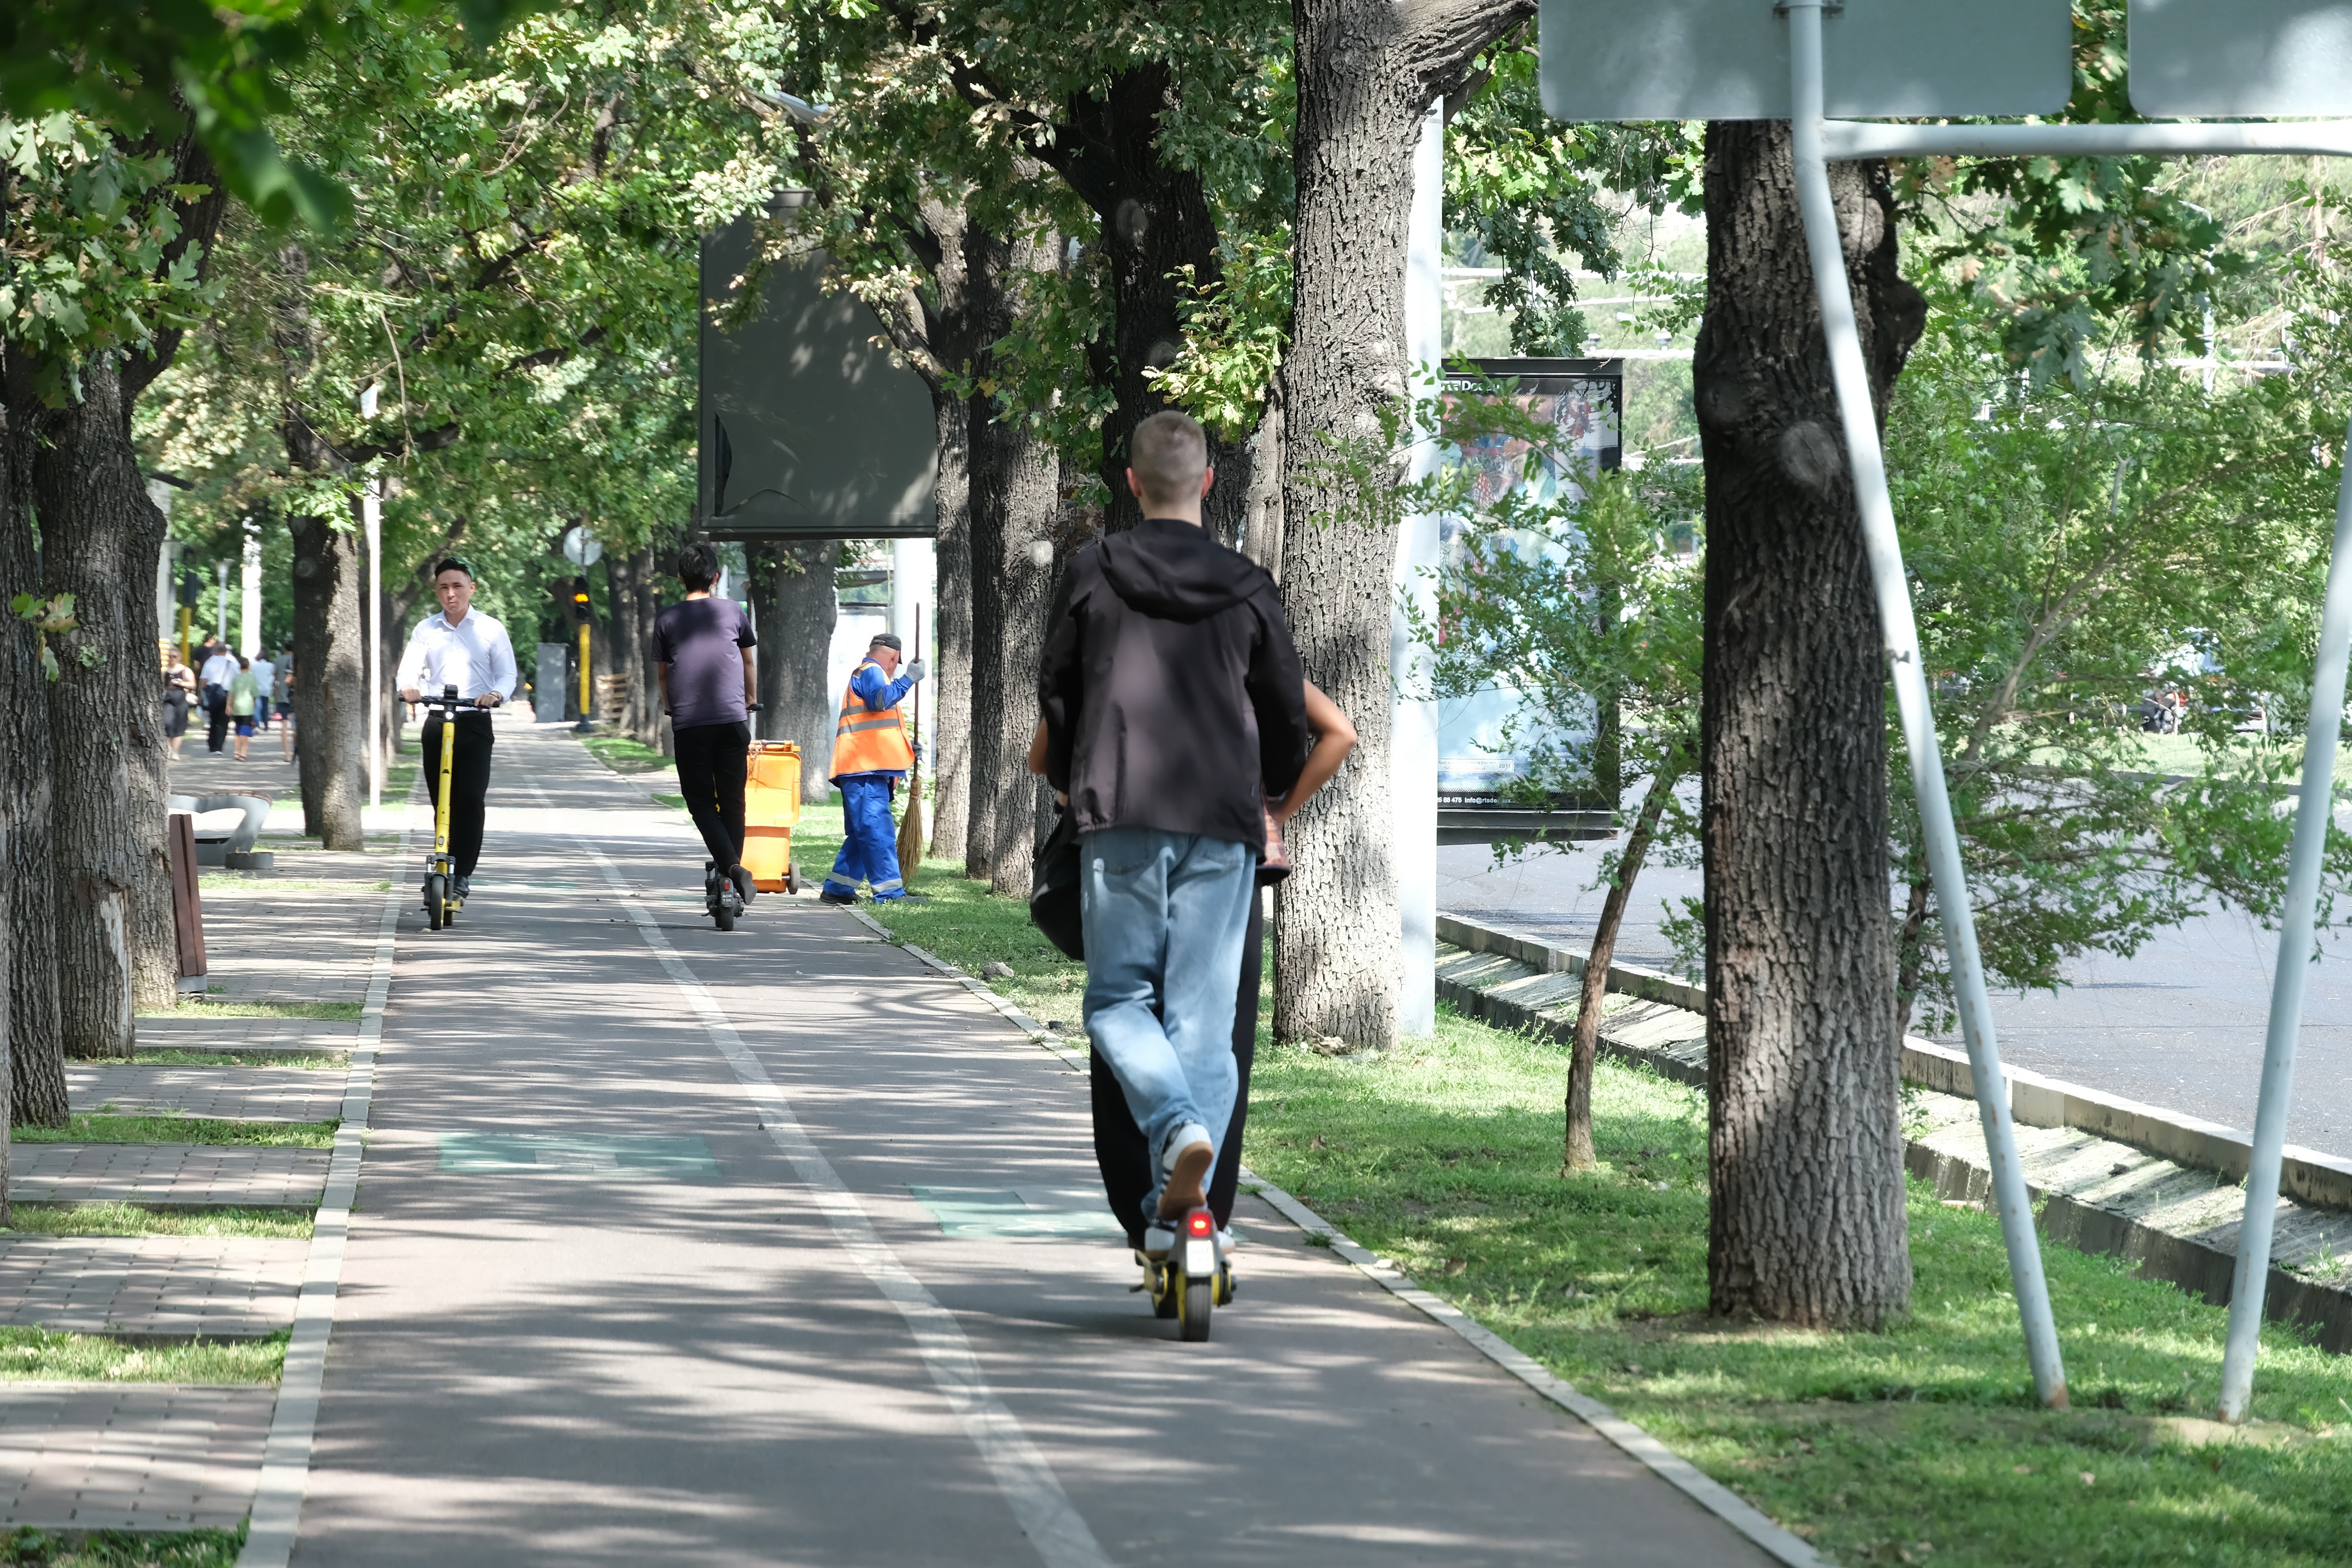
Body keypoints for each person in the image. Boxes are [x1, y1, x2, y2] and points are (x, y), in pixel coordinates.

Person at [1038, 407, 1312, 1243]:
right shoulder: (1250, 587)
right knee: (1203, 1014)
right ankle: (1191, 1205)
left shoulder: (1091, 573)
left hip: (1119, 810)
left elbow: (1057, 694)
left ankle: (1175, 1135)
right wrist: (1269, 795)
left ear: (1131, 483)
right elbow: (1287, 717)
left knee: (1120, 999)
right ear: (1206, 481)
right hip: (1223, 822)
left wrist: (1067, 781)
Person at [1036, 680, 1357, 1252]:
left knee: (1129, 1027)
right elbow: (1340, 732)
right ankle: (1206, 1207)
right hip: (1227, 865)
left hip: (1128, 849)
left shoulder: (1116, 644)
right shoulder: (1244, 644)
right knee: (1214, 1037)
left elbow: (1045, 754)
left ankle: (1149, 1216)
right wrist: (1278, 812)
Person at [396, 557, 518, 899]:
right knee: (442, 802)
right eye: (444, 588)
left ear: (472, 589)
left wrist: (495, 694)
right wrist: (408, 688)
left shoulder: (491, 628)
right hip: (438, 720)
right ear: (437, 592)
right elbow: (408, 670)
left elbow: (507, 674)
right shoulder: (426, 629)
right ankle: (442, 861)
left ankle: (462, 872)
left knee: (470, 800)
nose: (451, 594)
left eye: (457, 587)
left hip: (474, 721)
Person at [655, 542, 759, 905]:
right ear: (716, 578)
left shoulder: (667, 619)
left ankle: (731, 868)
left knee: (700, 800)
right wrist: (749, 700)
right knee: (733, 801)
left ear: (680, 578)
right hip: (732, 720)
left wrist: (671, 709)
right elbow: (747, 662)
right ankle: (732, 877)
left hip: (691, 725)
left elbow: (665, 675)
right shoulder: (733, 611)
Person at [821, 632, 928, 904]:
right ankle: (890, 894)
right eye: (897, 665)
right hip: (863, 769)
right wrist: (910, 679)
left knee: (863, 832)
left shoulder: (870, 674)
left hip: (864, 768)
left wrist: (906, 747)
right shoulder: (872, 671)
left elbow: (879, 728)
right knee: (877, 831)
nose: (896, 669)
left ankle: (838, 889)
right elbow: (880, 701)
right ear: (893, 657)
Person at [199, 638, 237, 754]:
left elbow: (203, 681)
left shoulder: (209, 662)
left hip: (212, 694)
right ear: (226, 652)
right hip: (226, 695)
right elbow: (236, 682)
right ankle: (218, 747)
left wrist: (200, 695)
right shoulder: (231, 663)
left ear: (215, 651)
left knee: (213, 720)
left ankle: (211, 745)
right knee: (223, 722)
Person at [162, 648, 195, 760]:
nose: (172, 659)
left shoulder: (185, 670)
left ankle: (175, 752)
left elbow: (193, 684)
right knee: (167, 724)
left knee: (179, 728)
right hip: (168, 700)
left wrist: (182, 683)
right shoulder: (164, 671)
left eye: (174, 656)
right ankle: (168, 750)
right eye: (170, 656)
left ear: (179, 658)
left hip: (181, 700)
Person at [227, 656, 260, 761]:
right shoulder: (252, 678)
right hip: (248, 707)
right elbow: (255, 693)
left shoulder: (236, 678)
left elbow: (231, 693)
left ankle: (236, 752)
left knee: (238, 730)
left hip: (237, 707)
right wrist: (254, 703)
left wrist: (229, 705)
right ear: (249, 667)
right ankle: (243, 754)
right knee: (245, 732)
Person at [273, 649, 297, 761]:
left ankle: (288, 754)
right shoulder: (298, 660)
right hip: (295, 697)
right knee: (296, 727)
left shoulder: (278, 661)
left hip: (282, 696)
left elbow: (275, 680)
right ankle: (297, 752)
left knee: (284, 726)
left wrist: (276, 692)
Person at [248, 648, 276, 731]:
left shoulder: (254, 665)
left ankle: (257, 725)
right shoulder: (271, 666)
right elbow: (272, 677)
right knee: (265, 707)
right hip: (267, 689)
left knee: (257, 707)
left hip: (257, 689)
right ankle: (266, 725)